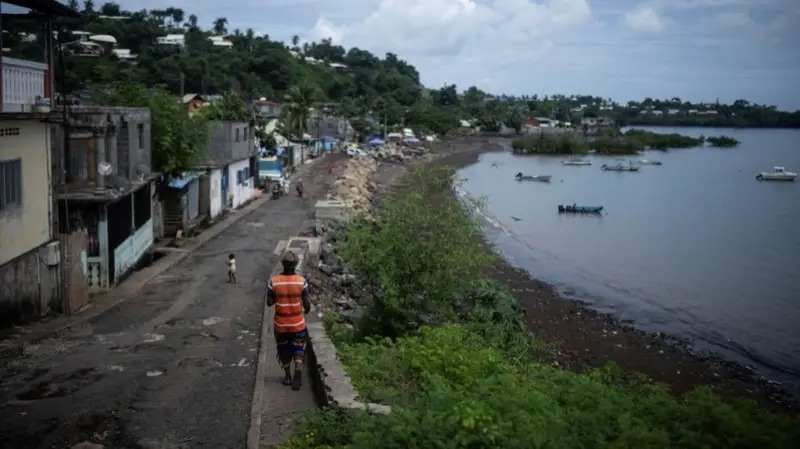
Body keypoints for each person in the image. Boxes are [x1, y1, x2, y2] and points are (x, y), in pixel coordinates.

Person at [267, 251, 311, 389]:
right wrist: (306, 311)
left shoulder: (274, 281)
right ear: (296, 264)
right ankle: (298, 367)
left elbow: (269, 302)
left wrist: (279, 295)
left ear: (283, 264)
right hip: (297, 323)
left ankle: (287, 377)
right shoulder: (301, 281)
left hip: (281, 324)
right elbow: (307, 303)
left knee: (283, 349)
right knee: (298, 345)